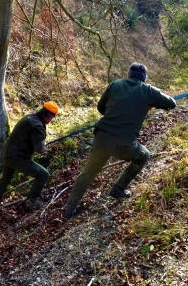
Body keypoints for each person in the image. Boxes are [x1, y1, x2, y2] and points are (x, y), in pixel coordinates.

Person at [65, 63, 176, 219]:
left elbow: (100, 107)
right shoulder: (148, 90)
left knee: (87, 173)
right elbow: (172, 103)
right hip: (123, 144)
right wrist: (151, 102)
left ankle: (69, 210)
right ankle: (118, 189)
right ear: (145, 78)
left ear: (128, 74)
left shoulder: (115, 85)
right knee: (143, 156)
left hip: (101, 138)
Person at [0, 101, 59, 210]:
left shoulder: (30, 117)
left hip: (7, 152)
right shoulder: (38, 127)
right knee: (43, 175)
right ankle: (30, 202)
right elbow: (40, 149)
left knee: (5, 178)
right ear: (49, 116)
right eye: (52, 118)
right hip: (17, 157)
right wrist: (45, 147)